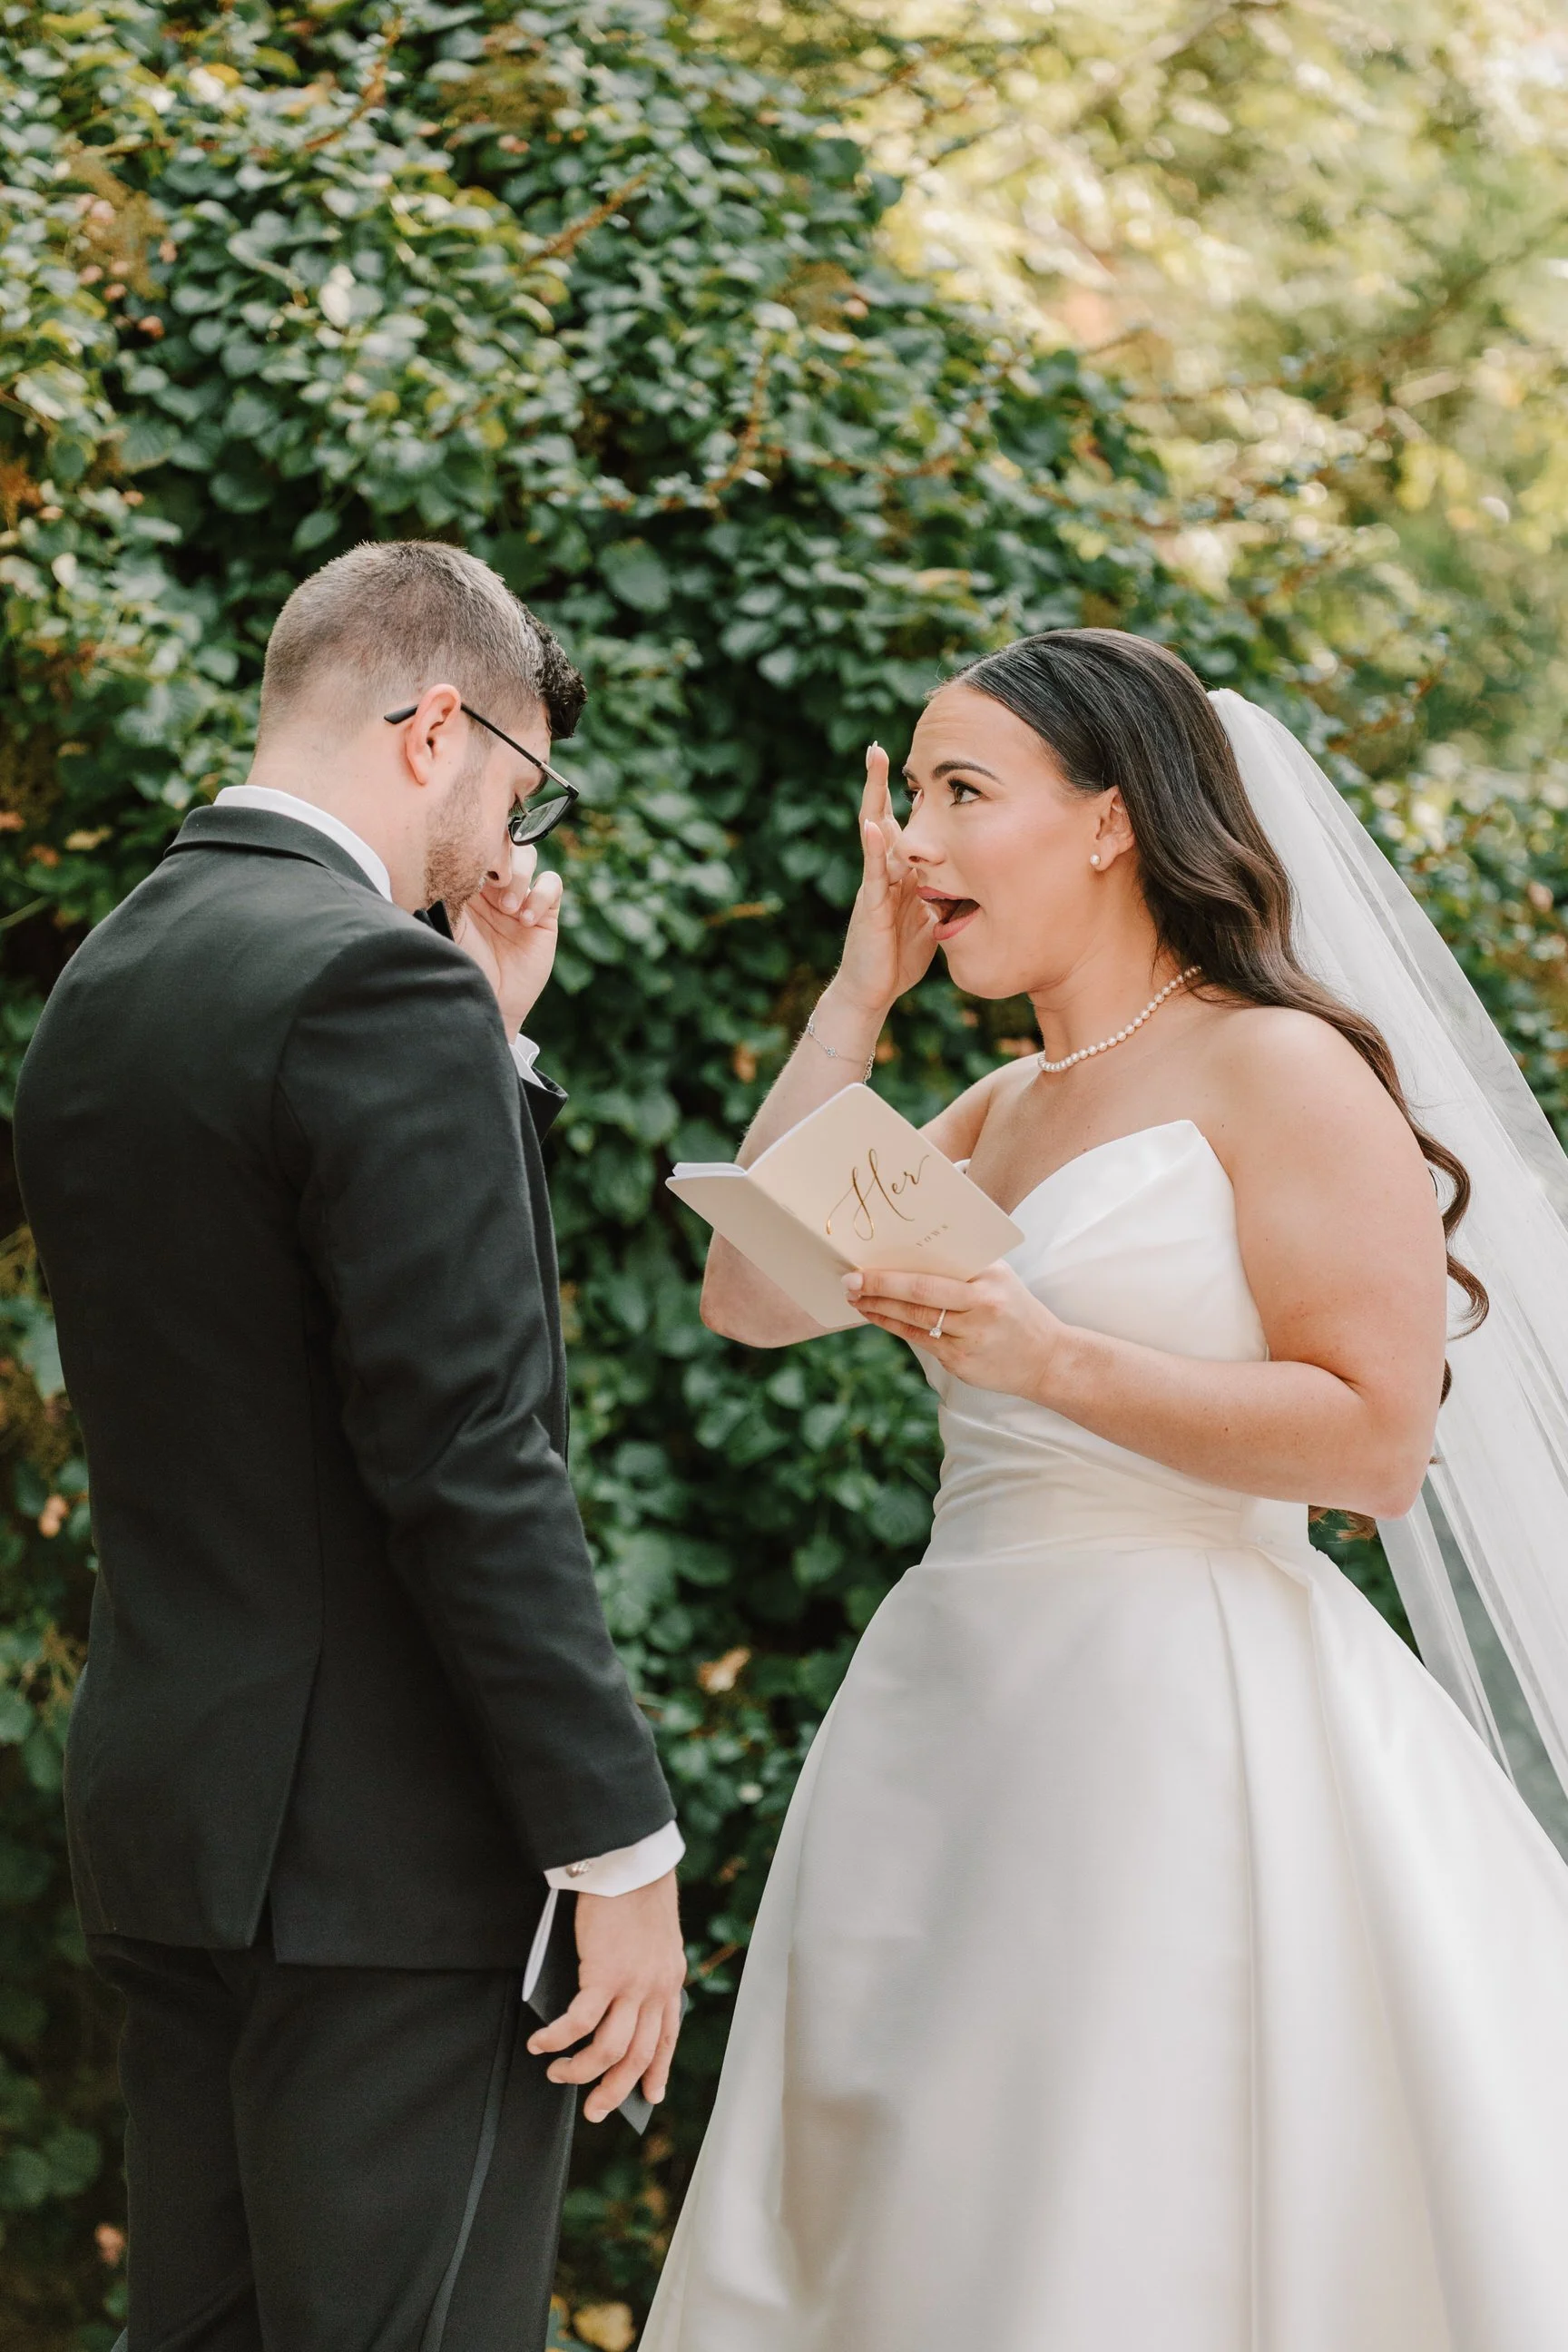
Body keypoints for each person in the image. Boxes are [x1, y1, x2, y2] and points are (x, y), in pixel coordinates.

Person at [642, 630, 1568, 2351]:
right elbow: (753, 1295)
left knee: (1126, 2194)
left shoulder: (1275, 1066)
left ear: (1109, 823)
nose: (911, 838)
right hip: (950, 1721)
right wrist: (858, 1002)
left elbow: (1376, 1441)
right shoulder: (1002, 1107)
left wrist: (1050, 1360)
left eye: (962, 793)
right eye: (908, 796)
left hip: (1185, 1715)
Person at [13, 542, 687, 2352]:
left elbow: (269, 1364)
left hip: (188, 1828)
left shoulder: (117, 975)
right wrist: (618, 1848)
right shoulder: (379, 990)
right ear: (439, 726)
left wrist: (490, 1048)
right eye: (521, 783)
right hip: (387, 1866)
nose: (502, 842)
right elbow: (468, 1456)